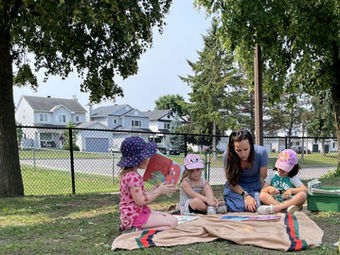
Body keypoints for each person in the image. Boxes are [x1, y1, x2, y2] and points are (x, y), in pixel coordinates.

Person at [118, 136, 178, 233]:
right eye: (145, 156)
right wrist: (159, 191)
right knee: (173, 223)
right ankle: (135, 230)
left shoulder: (130, 175)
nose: (148, 159)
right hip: (135, 217)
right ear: (137, 159)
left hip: (135, 214)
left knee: (170, 217)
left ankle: (131, 226)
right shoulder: (133, 177)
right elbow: (140, 201)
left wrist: (154, 189)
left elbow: (137, 197)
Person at [223, 130, 268, 212]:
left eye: (246, 149)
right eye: (238, 150)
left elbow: (263, 179)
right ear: (233, 147)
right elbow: (231, 182)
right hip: (236, 189)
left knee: (257, 204)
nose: (243, 154)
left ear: (251, 144)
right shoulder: (227, 156)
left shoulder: (261, 153)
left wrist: (263, 194)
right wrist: (245, 195)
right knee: (241, 207)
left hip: (256, 187)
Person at [257, 149, 307, 214]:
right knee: (262, 195)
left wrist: (291, 190)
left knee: (303, 195)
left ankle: (279, 208)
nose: (280, 170)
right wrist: (269, 189)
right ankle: (281, 208)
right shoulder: (272, 176)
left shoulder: (292, 178)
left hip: (289, 201)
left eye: (284, 169)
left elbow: (305, 190)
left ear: (292, 168)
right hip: (275, 201)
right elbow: (263, 190)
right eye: (279, 166)